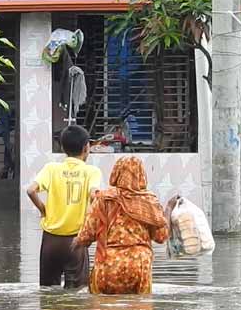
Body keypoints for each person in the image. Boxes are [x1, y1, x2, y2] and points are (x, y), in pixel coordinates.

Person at [72, 156, 169, 294]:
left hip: (107, 263)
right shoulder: (150, 202)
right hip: (140, 265)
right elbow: (161, 237)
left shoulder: (103, 199)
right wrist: (169, 211)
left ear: (116, 173)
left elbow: (86, 234)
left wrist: (76, 243)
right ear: (141, 175)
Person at [26, 125, 102, 288]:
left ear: (62, 147)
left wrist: (43, 210)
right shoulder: (91, 171)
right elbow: (95, 195)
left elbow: (31, 190)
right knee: (77, 295)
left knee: (48, 291)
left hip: (50, 241)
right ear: (86, 147)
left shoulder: (51, 168)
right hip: (76, 240)